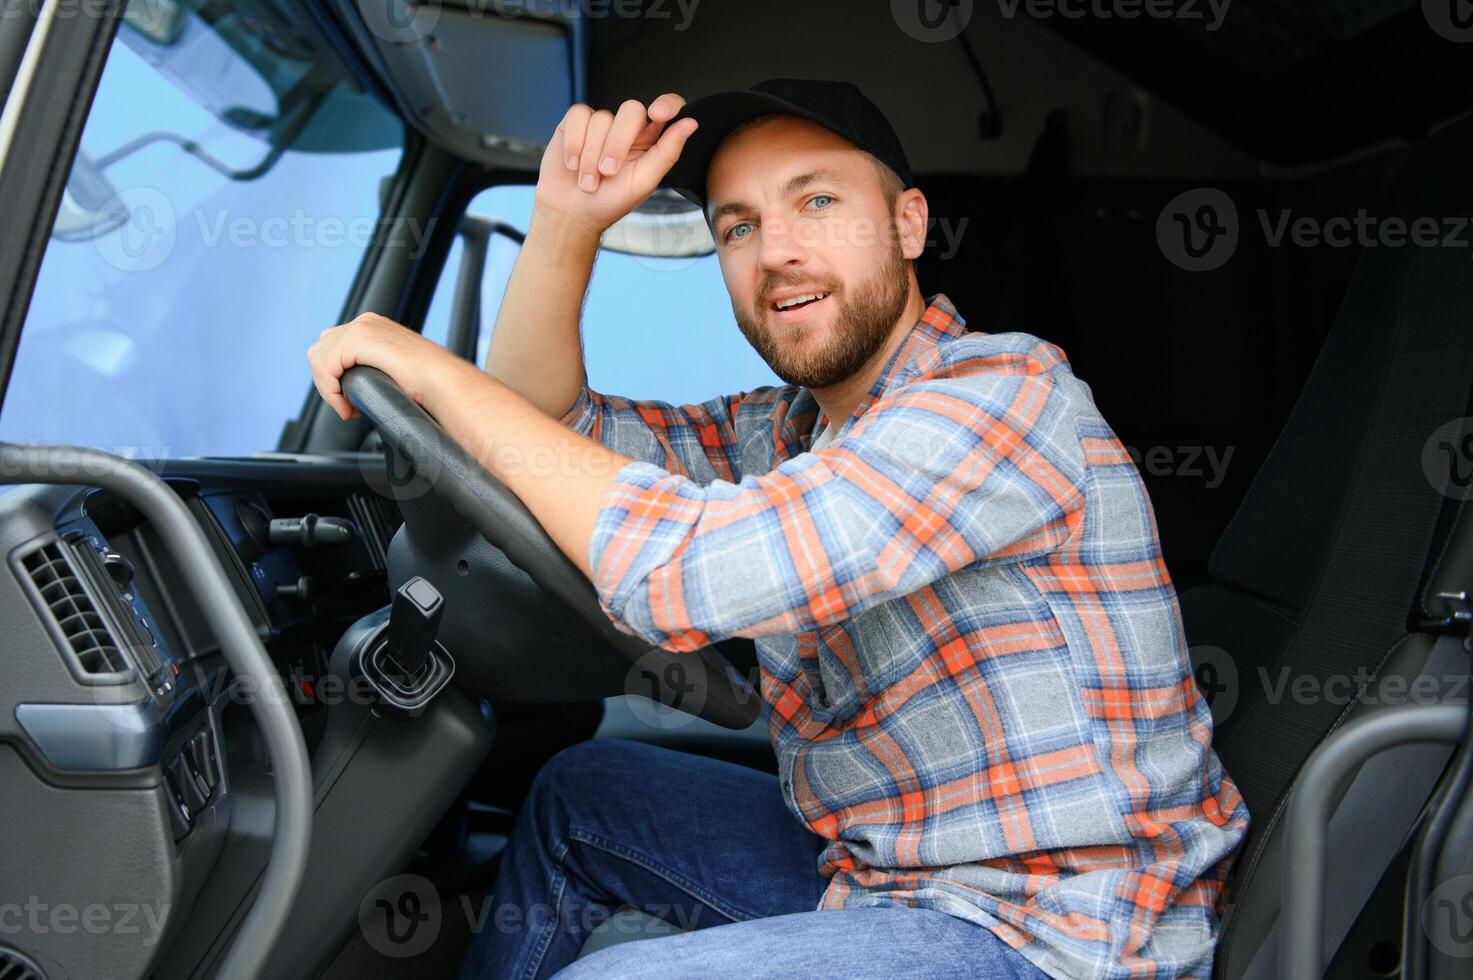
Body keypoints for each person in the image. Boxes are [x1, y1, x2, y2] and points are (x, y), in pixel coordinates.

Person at [308, 79, 1248, 980]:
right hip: (886, 883)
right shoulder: (792, 430)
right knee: (582, 796)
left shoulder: (1002, 394)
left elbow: (699, 566)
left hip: (1052, 933)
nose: (777, 252)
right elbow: (537, 435)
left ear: (908, 224)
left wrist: (423, 365)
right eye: (739, 227)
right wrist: (565, 222)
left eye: (818, 203)